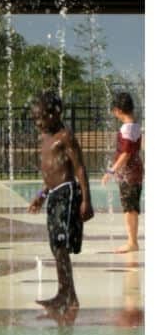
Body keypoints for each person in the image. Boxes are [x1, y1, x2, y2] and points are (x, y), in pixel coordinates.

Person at [27, 91, 94, 312]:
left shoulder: (65, 136)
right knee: (56, 246)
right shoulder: (45, 138)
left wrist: (86, 200)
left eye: (42, 117)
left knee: (61, 244)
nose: (38, 122)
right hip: (54, 194)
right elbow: (50, 173)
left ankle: (69, 295)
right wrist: (41, 196)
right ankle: (64, 293)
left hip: (67, 192)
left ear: (56, 114)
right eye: (35, 118)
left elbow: (79, 167)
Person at [100, 91, 142, 253]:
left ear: (117, 110)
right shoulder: (135, 125)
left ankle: (132, 242)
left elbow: (126, 154)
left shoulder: (127, 128)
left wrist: (111, 171)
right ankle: (132, 241)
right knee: (131, 207)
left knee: (129, 208)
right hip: (134, 171)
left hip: (129, 173)